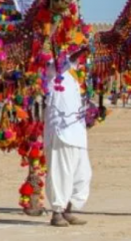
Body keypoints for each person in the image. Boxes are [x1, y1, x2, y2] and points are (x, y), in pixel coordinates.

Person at [45, 60, 91, 227]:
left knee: (83, 174)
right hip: (60, 128)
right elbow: (60, 59)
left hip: (77, 129)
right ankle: (57, 212)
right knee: (61, 171)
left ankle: (68, 209)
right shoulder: (53, 65)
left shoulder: (74, 72)